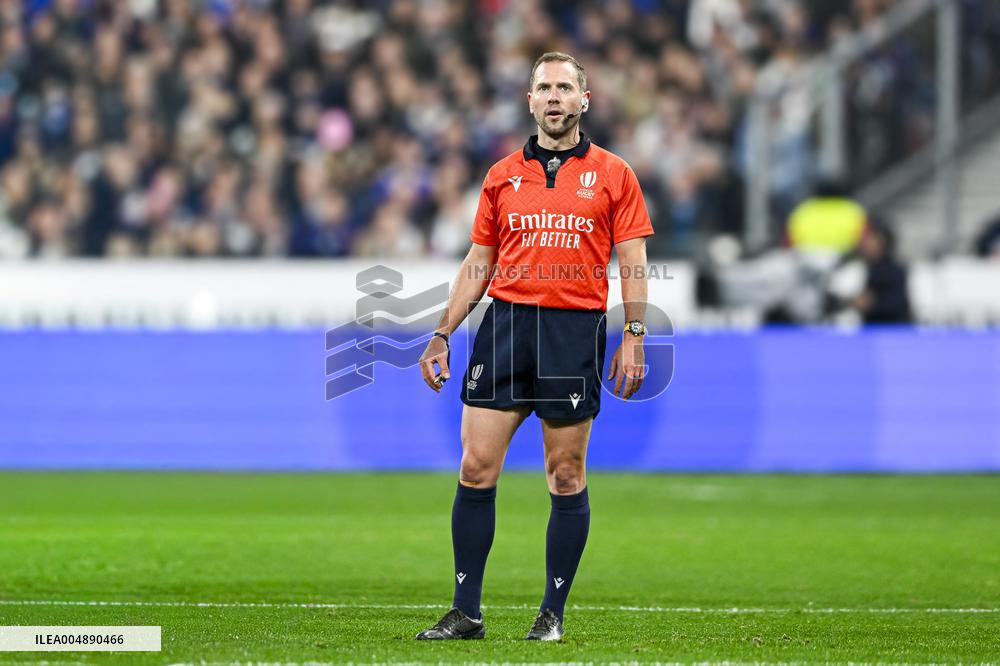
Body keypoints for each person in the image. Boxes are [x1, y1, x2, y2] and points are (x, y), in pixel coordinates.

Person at [414, 52, 654, 642]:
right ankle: (466, 612)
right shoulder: (501, 175)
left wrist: (634, 334)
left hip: (573, 330)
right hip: (507, 326)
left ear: (583, 100)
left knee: (565, 473)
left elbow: (633, 260)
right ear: (529, 100)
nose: (554, 97)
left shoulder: (615, 174)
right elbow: (479, 261)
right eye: (544, 87)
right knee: (475, 467)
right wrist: (442, 332)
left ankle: (551, 615)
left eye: (565, 88)